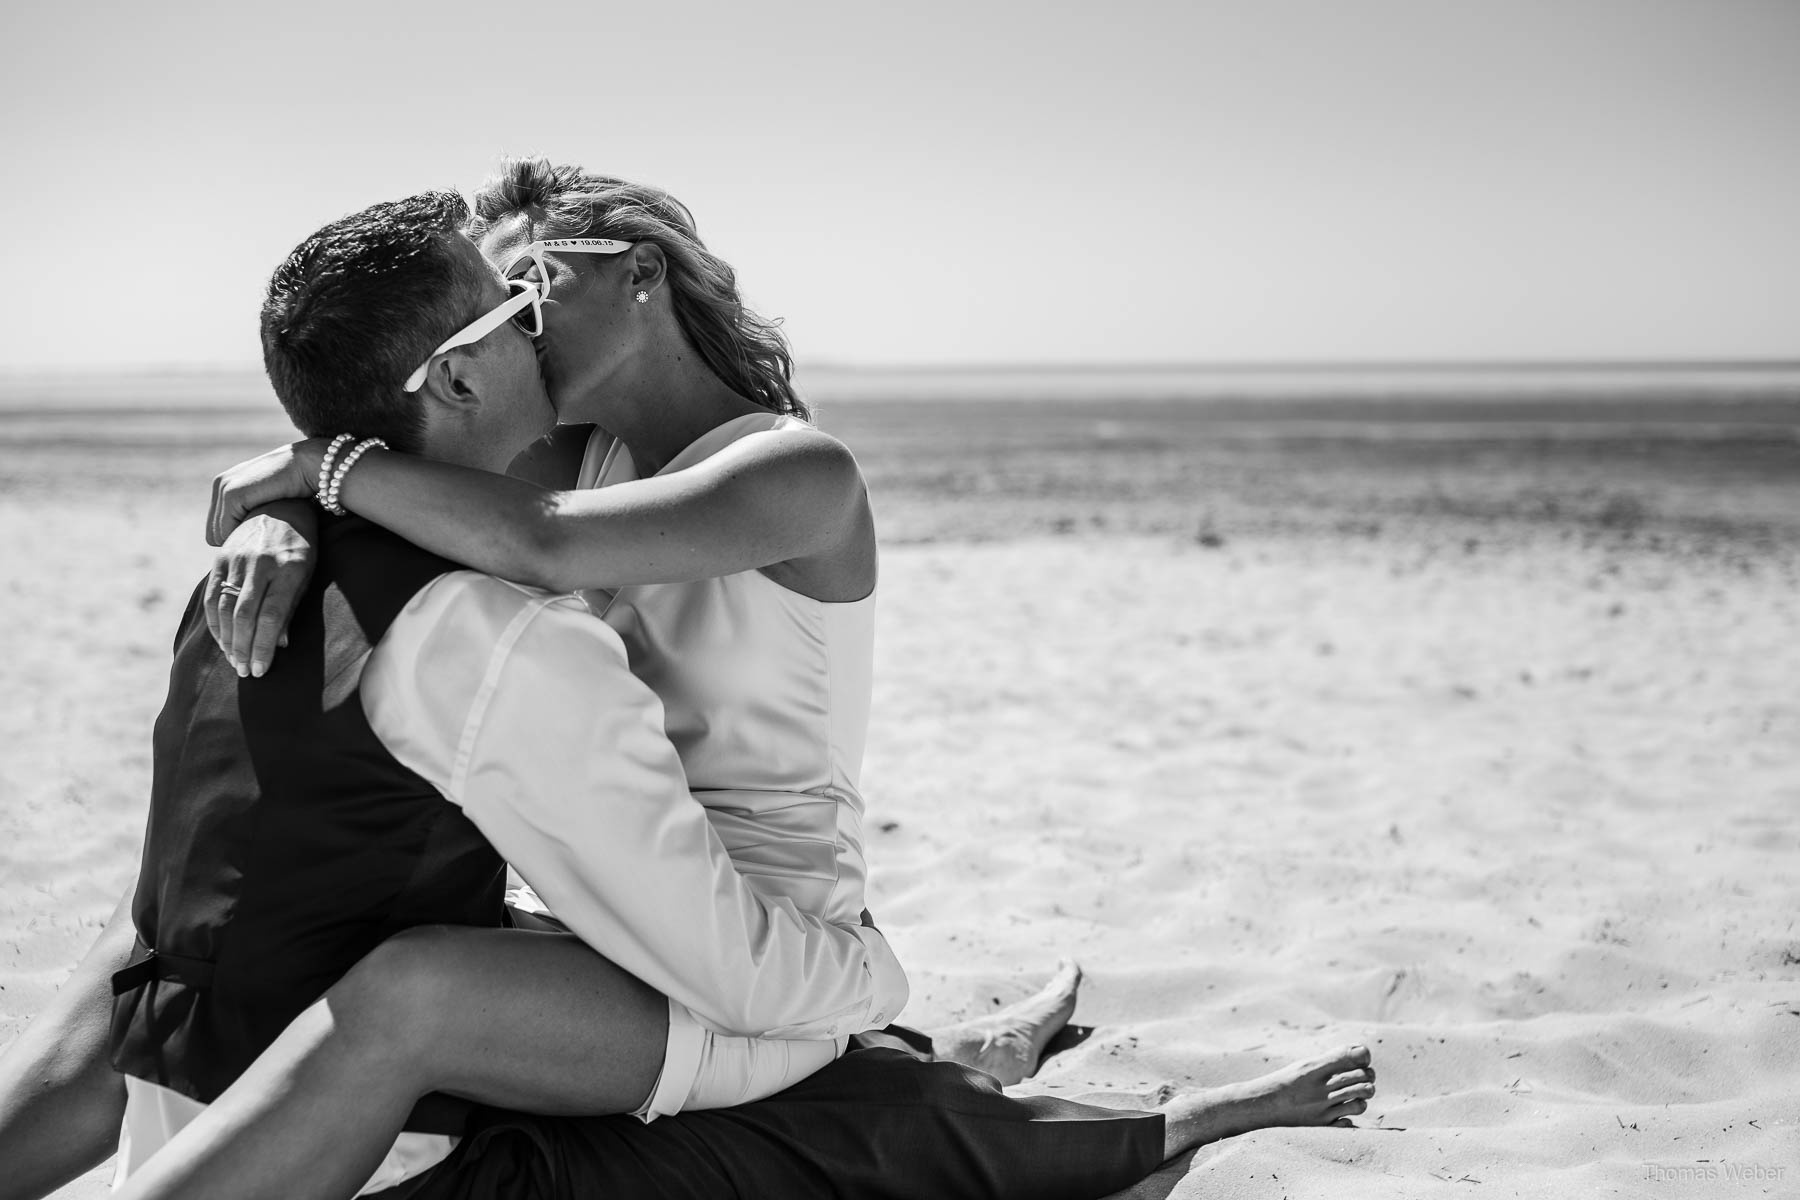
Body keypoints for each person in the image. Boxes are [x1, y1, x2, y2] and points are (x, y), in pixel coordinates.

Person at [3, 175, 1377, 1199]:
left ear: (642, 275)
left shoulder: (792, 472)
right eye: (507, 301)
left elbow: (516, 538)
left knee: (416, 990)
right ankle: (951, 1056)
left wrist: (313, 475)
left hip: (759, 920)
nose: (524, 323)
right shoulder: (576, 450)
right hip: (611, 886)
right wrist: (286, 514)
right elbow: (433, 455)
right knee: (163, 952)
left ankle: (962, 1074)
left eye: (540, 283)